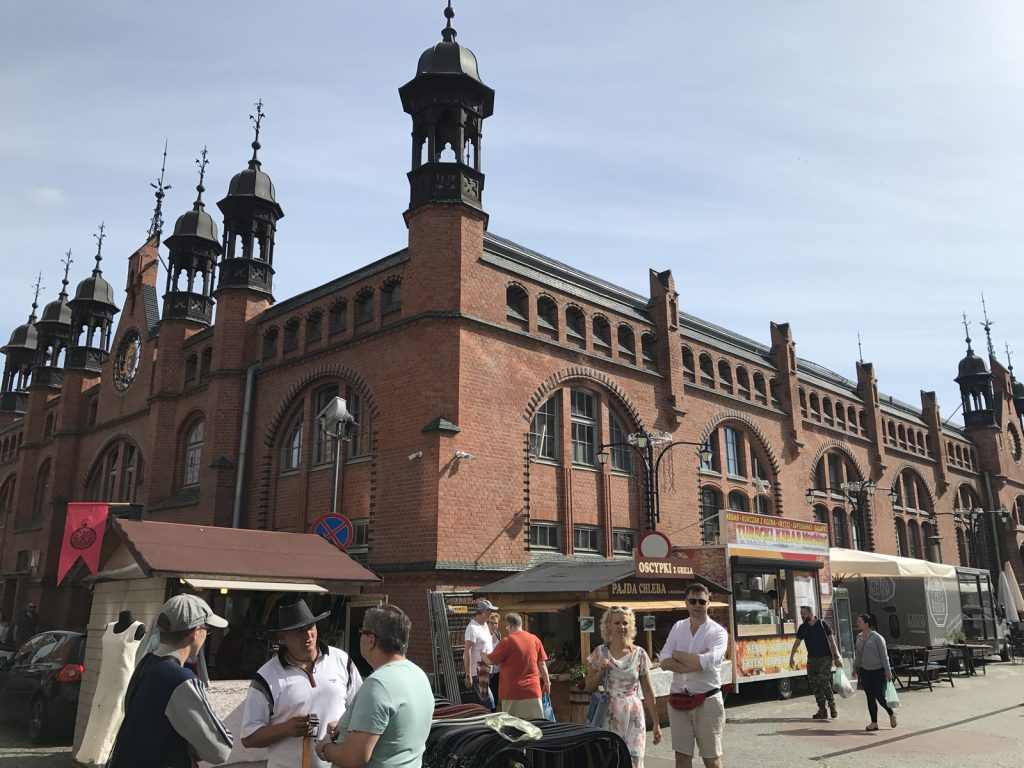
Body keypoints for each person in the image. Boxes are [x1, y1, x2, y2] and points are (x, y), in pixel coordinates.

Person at [107, 594, 233, 768]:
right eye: (207, 629)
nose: (207, 635)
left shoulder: (146, 663)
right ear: (195, 632)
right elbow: (220, 750)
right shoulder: (180, 679)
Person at [241, 599, 363, 768]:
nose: (308, 635)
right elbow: (248, 738)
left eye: (310, 627)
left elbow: (362, 710)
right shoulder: (266, 676)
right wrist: (286, 729)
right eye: (299, 631)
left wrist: (344, 725)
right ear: (282, 637)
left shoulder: (342, 660)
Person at [316, 604, 432, 768]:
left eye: (361, 632)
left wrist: (324, 748)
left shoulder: (378, 684)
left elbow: (354, 758)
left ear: (371, 640)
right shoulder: (418, 674)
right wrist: (347, 724)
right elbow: (396, 729)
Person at [659, 584, 729, 768]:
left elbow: (706, 663)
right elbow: (663, 660)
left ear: (708, 603)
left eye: (701, 601)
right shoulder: (678, 627)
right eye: (693, 601)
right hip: (678, 701)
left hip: (707, 701)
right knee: (681, 759)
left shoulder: (718, 632)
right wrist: (694, 662)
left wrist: (678, 655)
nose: (697, 605)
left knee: (711, 759)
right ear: (686, 603)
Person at [586, 606, 661, 768]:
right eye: (617, 623)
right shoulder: (600, 652)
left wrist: (656, 722)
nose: (622, 627)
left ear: (631, 626)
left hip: (634, 713)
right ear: (608, 625)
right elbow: (588, 686)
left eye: (625, 623)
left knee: (635, 758)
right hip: (609, 713)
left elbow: (648, 690)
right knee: (610, 760)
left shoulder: (640, 654)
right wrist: (599, 671)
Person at [482, 612, 550, 720]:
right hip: (533, 692)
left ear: (510, 626)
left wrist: (482, 652)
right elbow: (542, 664)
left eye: (507, 627)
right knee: (536, 727)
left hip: (513, 693)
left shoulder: (508, 641)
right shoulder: (535, 639)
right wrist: (547, 683)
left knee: (514, 729)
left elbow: (490, 661)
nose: (507, 629)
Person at [788, 605, 843, 720]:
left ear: (810, 612)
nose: (802, 616)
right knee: (814, 683)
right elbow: (797, 643)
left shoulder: (823, 624)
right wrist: (791, 657)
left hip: (825, 657)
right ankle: (822, 709)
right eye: (801, 614)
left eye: (803, 613)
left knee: (823, 681)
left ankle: (832, 704)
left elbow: (832, 642)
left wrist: (836, 657)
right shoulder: (803, 627)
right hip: (812, 659)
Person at [852, 612, 897, 732]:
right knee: (869, 697)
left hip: (878, 671)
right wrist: (855, 667)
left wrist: (888, 671)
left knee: (879, 695)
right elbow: (858, 655)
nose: (857, 623)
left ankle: (891, 713)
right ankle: (874, 722)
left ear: (867, 624)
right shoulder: (859, 637)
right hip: (865, 671)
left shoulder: (878, 638)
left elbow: (884, 656)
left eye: (860, 621)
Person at [463, 599, 498, 710]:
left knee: (483, 704)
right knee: (489, 703)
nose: (492, 614)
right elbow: (467, 650)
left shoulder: (484, 625)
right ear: (484, 612)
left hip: (487, 669)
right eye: (490, 611)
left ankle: (482, 724)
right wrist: (468, 675)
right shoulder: (472, 628)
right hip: (479, 670)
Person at [487, 612, 502, 709]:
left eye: (496, 623)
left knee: (495, 697)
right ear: (487, 624)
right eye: (491, 623)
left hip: (497, 671)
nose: (494, 625)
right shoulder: (484, 636)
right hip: (487, 671)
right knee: (488, 699)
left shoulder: (499, 635)